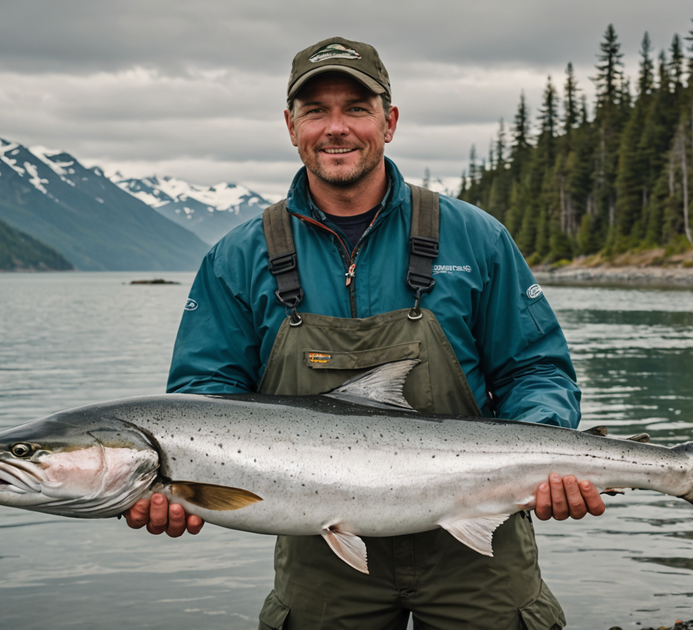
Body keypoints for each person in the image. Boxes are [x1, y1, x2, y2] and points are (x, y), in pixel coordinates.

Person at [124, 36, 605, 629]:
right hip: (318, 547)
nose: (336, 128)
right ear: (290, 124)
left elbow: (534, 368)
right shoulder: (238, 256)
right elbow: (202, 398)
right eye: (315, 111)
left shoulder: (475, 238)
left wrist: (542, 454)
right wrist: (182, 484)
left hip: (478, 547)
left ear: (389, 121)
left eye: (356, 108)